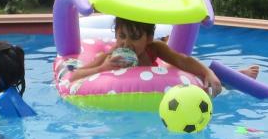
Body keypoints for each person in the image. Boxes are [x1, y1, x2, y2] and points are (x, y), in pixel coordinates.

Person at [62, 16, 250, 95]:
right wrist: (104, 68)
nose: (126, 44)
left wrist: (207, 73)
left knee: (202, 80)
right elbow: (74, 76)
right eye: (121, 36)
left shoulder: (155, 48)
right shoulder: (111, 55)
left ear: (149, 38)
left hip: (160, 86)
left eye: (135, 38)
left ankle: (231, 79)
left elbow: (181, 60)